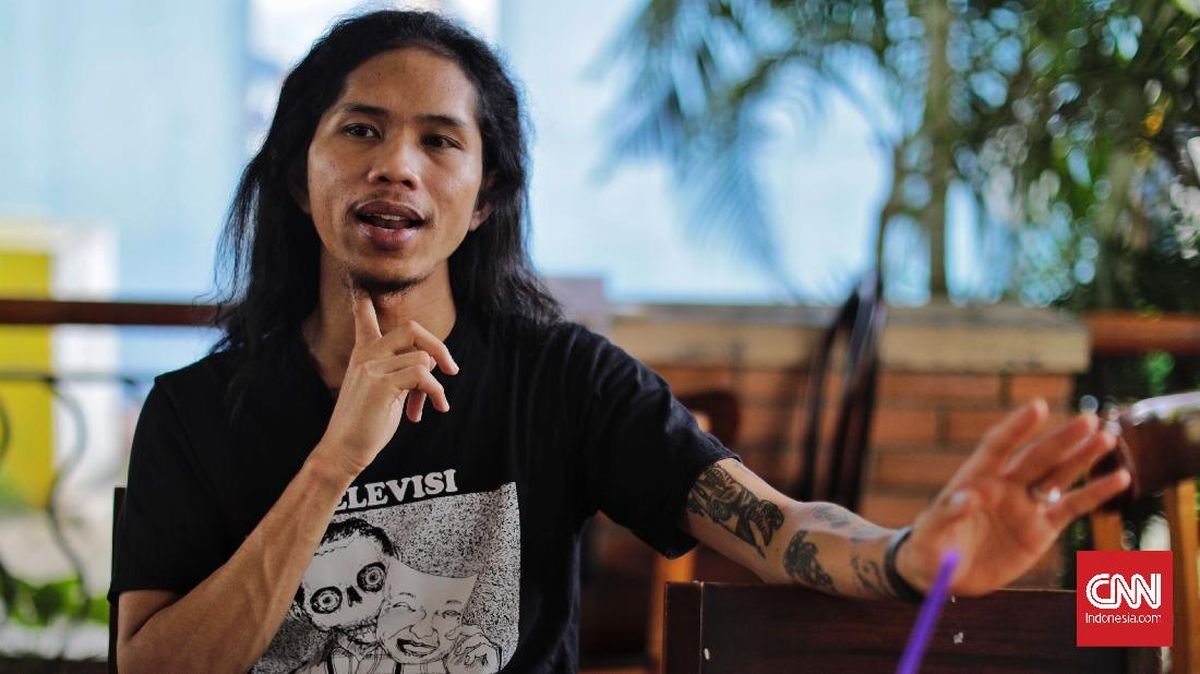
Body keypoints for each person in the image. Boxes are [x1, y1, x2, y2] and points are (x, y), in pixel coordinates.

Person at [109, 9, 1131, 673]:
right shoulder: (194, 414)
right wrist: (335, 462)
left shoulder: (564, 378)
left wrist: (914, 558)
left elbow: (773, 524)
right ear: (299, 176)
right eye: (361, 130)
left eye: (440, 140)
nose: (398, 167)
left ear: (485, 197)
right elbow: (150, 663)